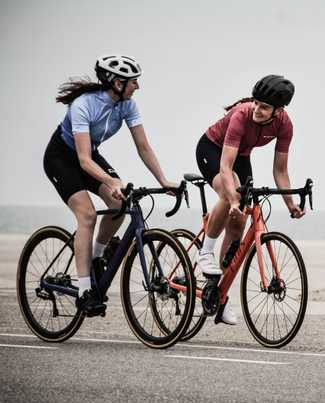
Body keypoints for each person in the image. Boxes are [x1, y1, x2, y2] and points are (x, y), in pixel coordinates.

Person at [43, 54, 178, 316]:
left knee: (119, 202)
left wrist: (162, 180)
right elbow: (83, 160)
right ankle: (84, 291)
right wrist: (110, 180)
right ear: (117, 83)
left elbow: (143, 146)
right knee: (87, 215)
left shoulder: (128, 105)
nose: (137, 86)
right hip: (62, 158)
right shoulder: (83, 105)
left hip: (89, 156)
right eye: (133, 82)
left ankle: (96, 257)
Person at [194, 74, 304, 325]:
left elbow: (280, 171)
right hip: (212, 150)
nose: (257, 109)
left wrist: (290, 204)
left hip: (241, 156)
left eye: (264, 107)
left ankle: (218, 294)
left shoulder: (285, 125)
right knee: (229, 187)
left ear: (279, 111)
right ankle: (206, 251)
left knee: (238, 224)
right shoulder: (241, 115)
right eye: (256, 102)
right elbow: (225, 165)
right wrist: (232, 197)